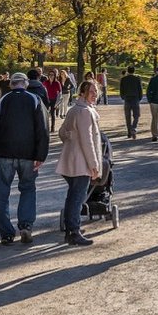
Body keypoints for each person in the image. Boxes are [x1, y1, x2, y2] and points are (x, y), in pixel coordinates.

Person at [0, 72, 50, 244]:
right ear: (26, 84)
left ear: (11, 85)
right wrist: (41, 155)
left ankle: (6, 233)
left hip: (4, 154)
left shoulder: (3, 101)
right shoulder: (35, 100)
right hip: (29, 155)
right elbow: (43, 129)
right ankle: (25, 225)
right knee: (28, 188)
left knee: (1, 193)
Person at [56, 80, 106, 246]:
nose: (94, 94)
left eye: (95, 91)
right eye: (91, 91)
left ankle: (71, 231)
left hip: (71, 160)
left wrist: (71, 138)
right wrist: (94, 165)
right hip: (81, 162)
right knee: (77, 199)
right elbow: (88, 141)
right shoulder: (85, 112)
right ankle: (74, 232)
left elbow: (62, 133)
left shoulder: (74, 109)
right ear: (82, 93)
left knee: (73, 197)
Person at [118, 66, 144, 139]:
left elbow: (121, 89)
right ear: (134, 71)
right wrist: (140, 97)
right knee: (136, 115)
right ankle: (133, 127)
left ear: (127, 71)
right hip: (135, 98)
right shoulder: (137, 79)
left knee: (127, 116)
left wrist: (123, 97)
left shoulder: (123, 79)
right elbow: (140, 89)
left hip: (127, 99)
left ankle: (129, 131)